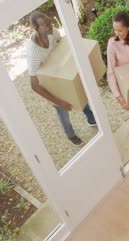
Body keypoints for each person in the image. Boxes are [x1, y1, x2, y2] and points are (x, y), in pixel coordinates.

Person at [27, 11, 96, 146]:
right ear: (36, 29)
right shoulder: (33, 53)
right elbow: (34, 86)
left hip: (61, 72)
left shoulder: (54, 32)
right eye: (46, 25)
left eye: (49, 21)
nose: (50, 25)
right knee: (62, 110)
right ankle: (70, 134)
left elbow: (64, 49)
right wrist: (59, 101)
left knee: (79, 93)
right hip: (50, 82)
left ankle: (90, 116)